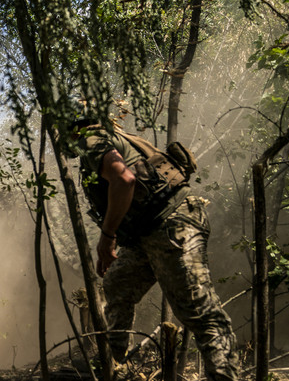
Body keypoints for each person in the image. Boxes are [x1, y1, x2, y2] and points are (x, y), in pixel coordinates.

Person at [72, 116, 239, 381]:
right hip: (150, 231)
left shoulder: (92, 140)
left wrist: (107, 235)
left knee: (198, 310)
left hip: (171, 225)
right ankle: (113, 366)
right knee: (118, 283)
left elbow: (124, 180)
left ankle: (224, 376)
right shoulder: (113, 137)